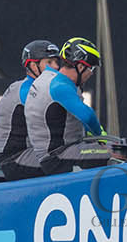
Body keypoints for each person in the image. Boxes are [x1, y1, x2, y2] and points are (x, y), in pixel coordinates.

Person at [21, 37, 114, 175]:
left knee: (122, 148)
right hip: (58, 155)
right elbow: (87, 116)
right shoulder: (60, 86)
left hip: (57, 153)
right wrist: (101, 137)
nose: (91, 73)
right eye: (91, 68)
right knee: (125, 152)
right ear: (81, 66)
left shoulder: (51, 80)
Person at [0, 39, 57, 180]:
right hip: (16, 160)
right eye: (49, 63)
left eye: (57, 62)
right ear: (33, 65)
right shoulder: (27, 89)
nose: (56, 67)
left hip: (31, 155)